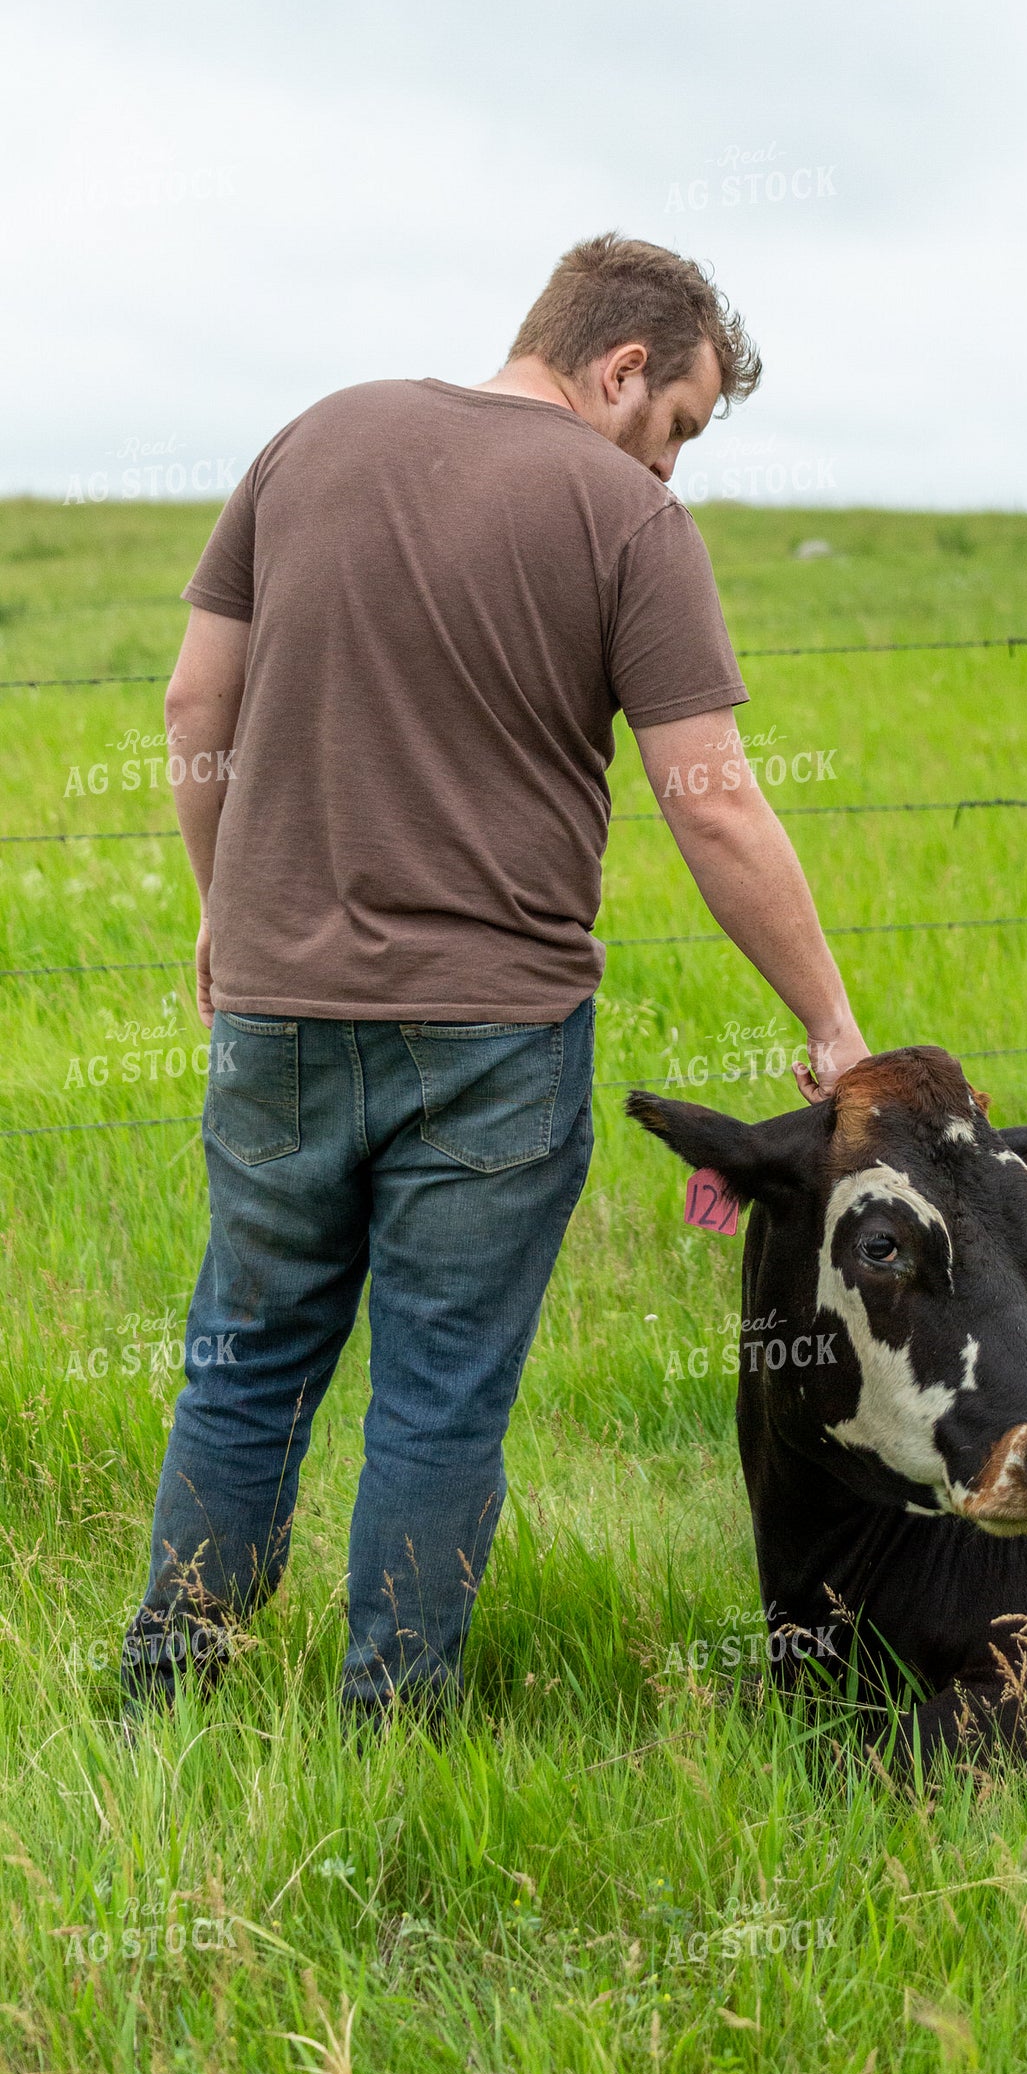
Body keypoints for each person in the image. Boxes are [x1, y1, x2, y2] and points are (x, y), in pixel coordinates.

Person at [120, 232, 869, 1720]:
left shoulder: (309, 439)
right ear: (620, 369)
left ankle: (167, 1698)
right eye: (678, 432)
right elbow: (710, 797)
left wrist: (229, 910)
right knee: (439, 1394)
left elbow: (196, 698)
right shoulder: (626, 525)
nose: (671, 474)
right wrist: (830, 1021)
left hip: (275, 1008)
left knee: (243, 1362)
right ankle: (390, 1728)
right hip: (495, 1038)